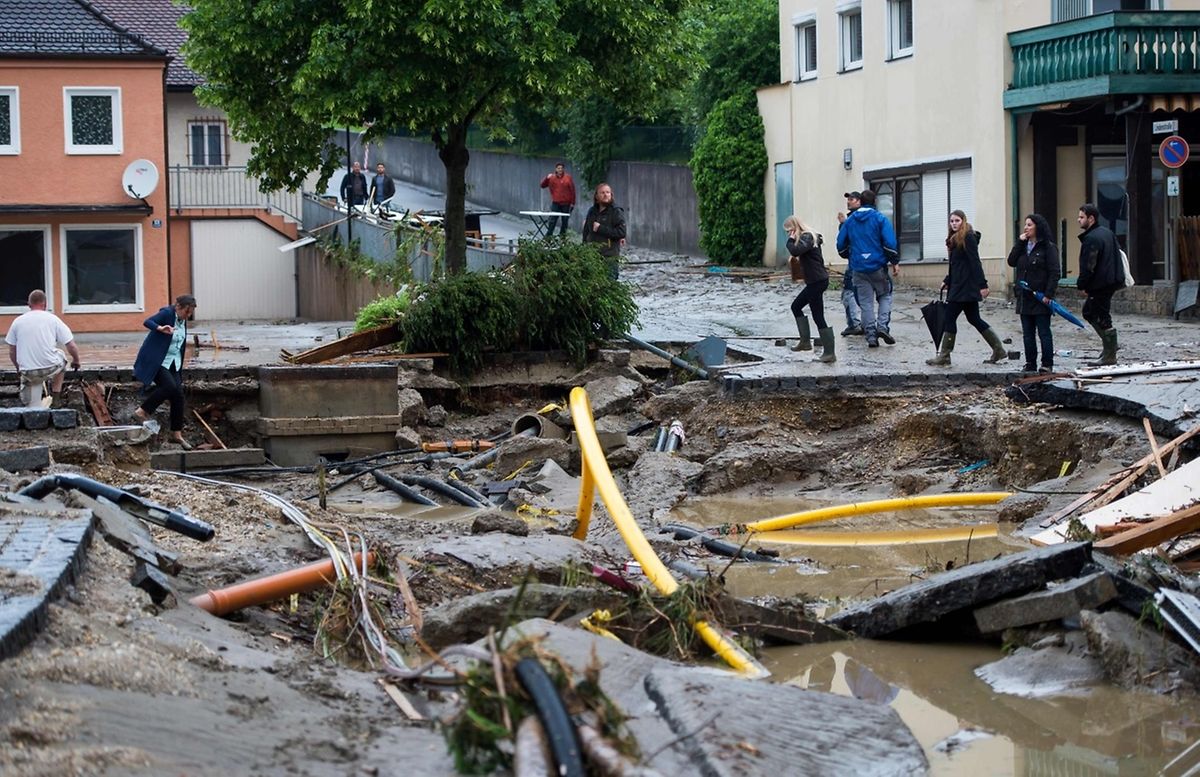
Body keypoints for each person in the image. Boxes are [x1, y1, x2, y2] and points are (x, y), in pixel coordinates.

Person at [927, 210, 1008, 367]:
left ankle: (944, 355)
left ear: (963, 221)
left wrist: (983, 285)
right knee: (974, 319)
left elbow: (975, 262)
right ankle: (998, 349)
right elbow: (956, 265)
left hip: (964, 288)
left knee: (950, 318)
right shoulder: (954, 240)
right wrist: (947, 279)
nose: (954, 224)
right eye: (952, 221)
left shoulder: (968, 237)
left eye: (957, 221)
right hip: (960, 286)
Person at [835, 189, 899, 347]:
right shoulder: (880, 218)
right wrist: (894, 261)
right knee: (885, 295)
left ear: (860, 202)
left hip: (858, 268)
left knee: (866, 303)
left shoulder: (850, 221)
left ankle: (871, 336)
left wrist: (848, 255)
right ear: (874, 202)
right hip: (877, 266)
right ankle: (882, 327)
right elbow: (890, 243)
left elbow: (841, 244)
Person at [133, 295, 197, 449]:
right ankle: (142, 411)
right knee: (169, 386)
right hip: (157, 360)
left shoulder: (182, 322)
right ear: (179, 307)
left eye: (191, 313)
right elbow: (147, 322)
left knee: (178, 395)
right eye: (187, 312)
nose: (188, 316)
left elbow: (179, 345)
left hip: (173, 362)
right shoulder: (167, 314)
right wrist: (160, 328)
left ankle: (176, 434)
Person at [4, 289, 81, 408]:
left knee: (33, 403)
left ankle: (34, 409)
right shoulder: (53, 319)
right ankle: (56, 399)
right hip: (50, 368)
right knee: (62, 356)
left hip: (28, 372)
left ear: (29, 305)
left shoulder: (17, 322)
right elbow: (71, 346)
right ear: (45, 305)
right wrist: (76, 361)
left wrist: (19, 368)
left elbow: (12, 351)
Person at [1007, 213, 1060, 373]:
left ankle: (1047, 364)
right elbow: (1011, 261)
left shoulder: (1048, 247)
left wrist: (1048, 295)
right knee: (1027, 334)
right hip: (1024, 297)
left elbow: (1054, 272)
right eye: (1025, 225)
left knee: (1043, 332)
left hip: (1040, 297)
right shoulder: (1023, 247)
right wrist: (1019, 242)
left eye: (1029, 225)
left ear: (1038, 227)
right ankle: (1030, 363)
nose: (1026, 228)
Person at [1076, 203, 1124, 366]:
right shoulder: (1106, 233)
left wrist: (1083, 284)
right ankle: (1109, 347)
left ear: (1091, 218)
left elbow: (1089, 265)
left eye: (1082, 217)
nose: (1078, 220)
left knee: (1100, 315)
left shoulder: (1092, 238)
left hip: (1100, 283)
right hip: (1109, 280)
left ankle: (1110, 352)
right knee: (1089, 311)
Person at [784, 215, 835, 363]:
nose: (788, 234)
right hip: (815, 281)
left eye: (789, 231)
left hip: (817, 281)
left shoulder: (807, 237)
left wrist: (791, 240)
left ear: (795, 228)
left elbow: (795, 251)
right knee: (816, 314)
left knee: (799, 307)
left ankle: (826, 351)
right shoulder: (807, 238)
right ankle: (808, 344)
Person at [582, 183, 626, 279]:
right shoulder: (592, 211)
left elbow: (621, 232)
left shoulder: (616, 211)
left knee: (609, 283)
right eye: (602, 193)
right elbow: (586, 232)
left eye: (608, 192)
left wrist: (601, 228)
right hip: (592, 255)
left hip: (609, 256)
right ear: (596, 196)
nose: (606, 195)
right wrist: (583, 249)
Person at [836, 193, 863, 337]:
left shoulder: (852, 220)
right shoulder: (874, 217)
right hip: (872, 262)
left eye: (851, 199)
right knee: (865, 294)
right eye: (847, 199)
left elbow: (844, 241)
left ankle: (854, 323)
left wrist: (842, 224)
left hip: (854, 261)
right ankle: (868, 324)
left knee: (848, 292)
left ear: (859, 201)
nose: (848, 202)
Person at [540, 162, 576, 237]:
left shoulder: (568, 178)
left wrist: (572, 203)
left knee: (565, 220)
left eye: (561, 168)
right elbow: (542, 185)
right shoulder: (552, 178)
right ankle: (549, 236)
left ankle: (562, 236)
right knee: (552, 220)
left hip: (566, 203)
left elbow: (572, 190)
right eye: (558, 168)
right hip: (556, 203)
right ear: (556, 169)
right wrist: (547, 178)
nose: (560, 170)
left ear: (563, 169)